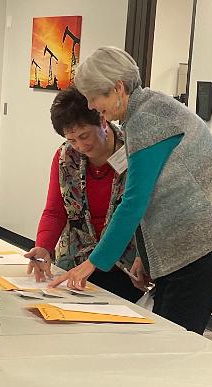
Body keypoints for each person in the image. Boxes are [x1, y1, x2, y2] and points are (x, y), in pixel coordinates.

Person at [50, 47, 212, 335]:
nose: (90, 104)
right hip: (196, 239)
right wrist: (145, 255)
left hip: (200, 243)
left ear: (117, 88)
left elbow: (133, 202)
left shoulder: (145, 122)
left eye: (94, 96)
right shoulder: (150, 106)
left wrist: (92, 264)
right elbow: (150, 194)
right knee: (164, 332)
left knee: (173, 338)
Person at [25, 87, 143, 303]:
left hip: (125, 264)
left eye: (84, 136)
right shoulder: (65, 157)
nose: (80, 146)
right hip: (76, 261)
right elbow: (55, 211)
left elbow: (146, 211)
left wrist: (144, 255)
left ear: (102, 121)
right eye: (72, 139)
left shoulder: (134, 151)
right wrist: (43, 247)